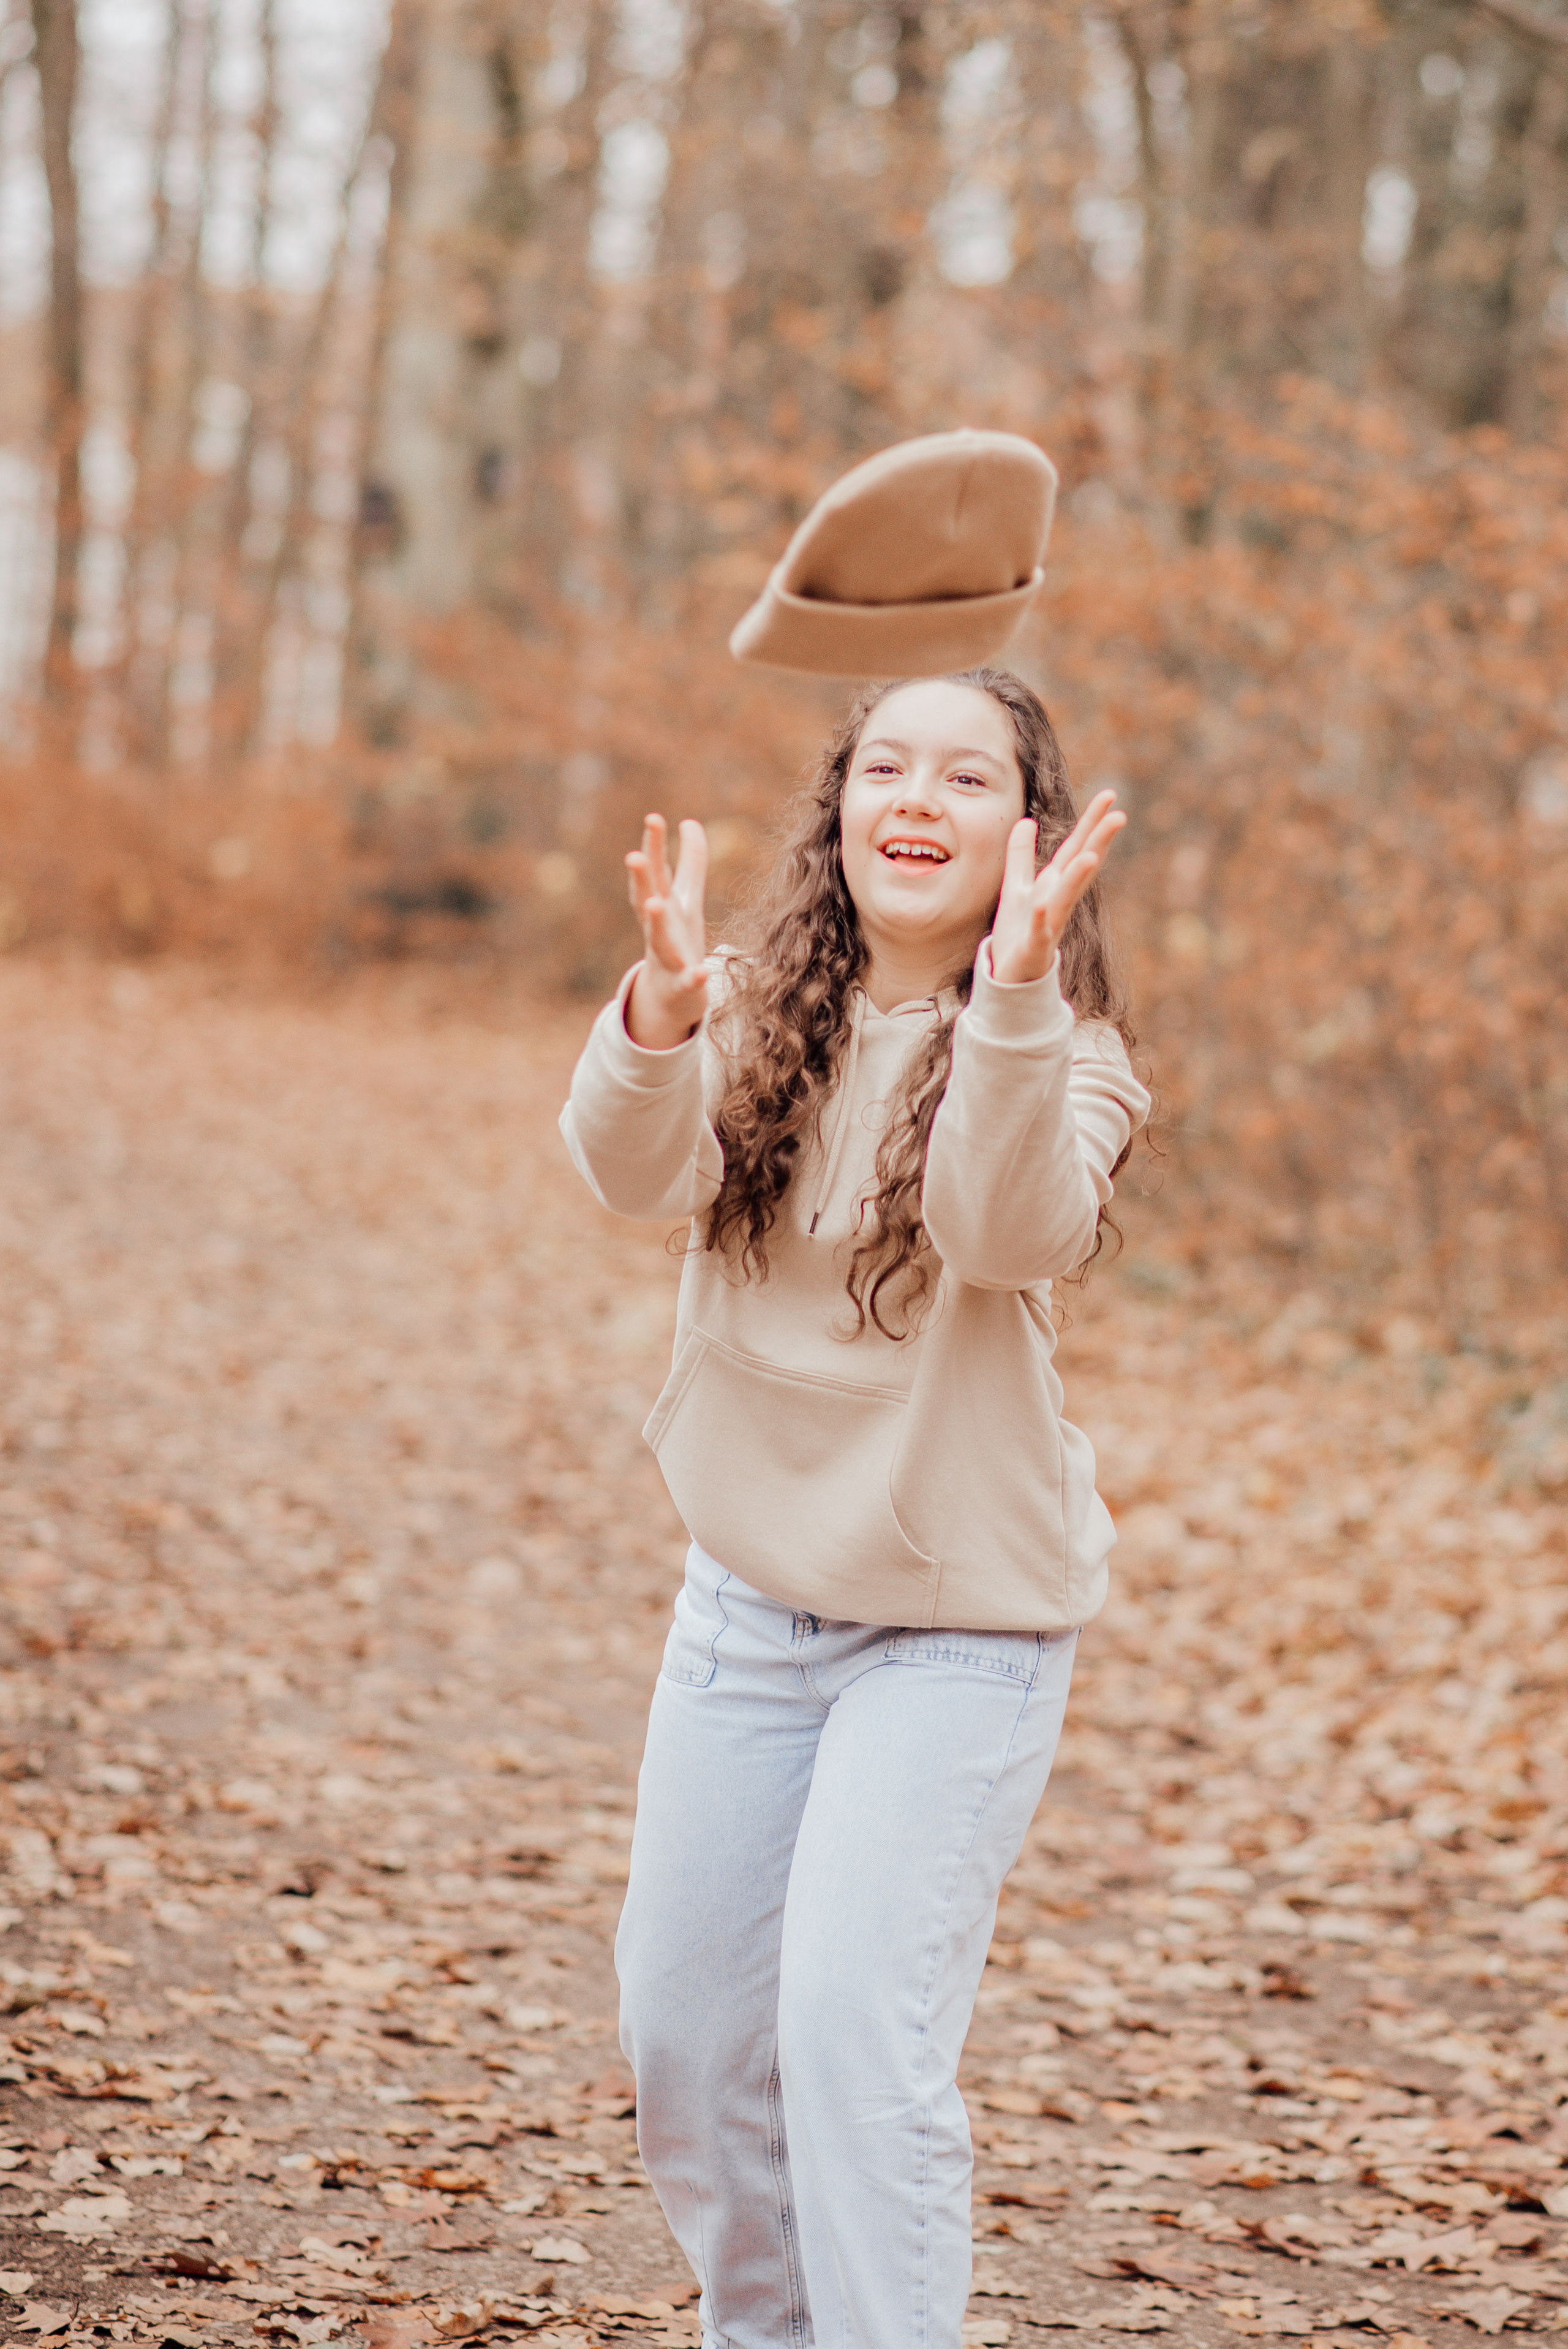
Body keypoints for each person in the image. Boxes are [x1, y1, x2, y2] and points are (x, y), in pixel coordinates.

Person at [560, 665, 1149, 2349]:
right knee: (685, 2047)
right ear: (837, 812)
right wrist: (664, 1017)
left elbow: (1005, 1227)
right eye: (884, 764)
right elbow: (629, 1176)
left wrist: (1018, 994)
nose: (915, 796)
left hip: (957, 1636)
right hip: (747, 1610)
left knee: (848, 2044)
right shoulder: (745, 1003)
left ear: (1025, 834)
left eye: (965, 777)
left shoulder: (1077, 1063)